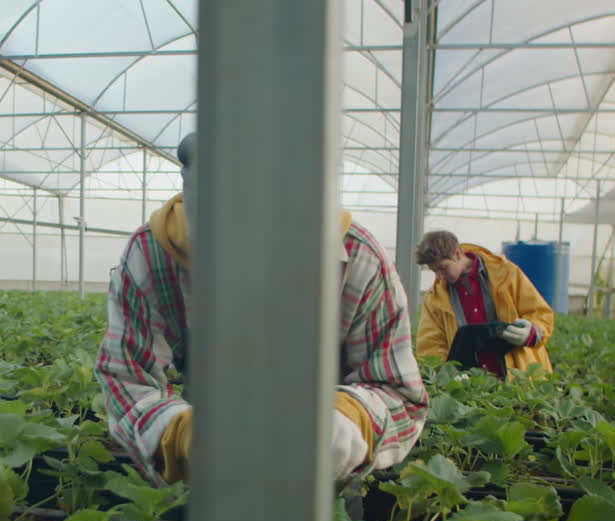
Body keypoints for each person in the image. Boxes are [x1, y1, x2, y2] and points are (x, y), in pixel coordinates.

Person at [95, 133, 428, 490]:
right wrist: (181, 433)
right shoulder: (151, 256)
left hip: (324, 481)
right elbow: (127, 380)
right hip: (200, 479)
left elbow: (398, 392)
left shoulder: (359, 261)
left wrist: (348, 421)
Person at [414, 230, 554, 378]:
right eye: (434, 271)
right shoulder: (435, 298)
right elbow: (431, 345)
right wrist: (444, 374)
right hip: (471, 383)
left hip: (518, 376)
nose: (439, 277)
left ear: (457, 254)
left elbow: (540, 313)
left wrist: (530, 333)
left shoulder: (507, 273)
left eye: (443, 268)